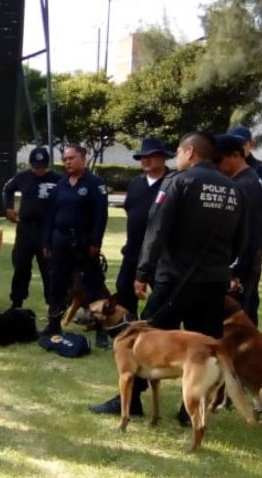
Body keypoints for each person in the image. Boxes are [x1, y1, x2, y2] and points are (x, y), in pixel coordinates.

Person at [90, 132, 246, 425]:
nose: (177, 156)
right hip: (213, 283)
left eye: (178, 151)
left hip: (174, 280)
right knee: (204, 347)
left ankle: (131, 400)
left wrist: (143, 272)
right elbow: (242, 240)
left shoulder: (179, 182)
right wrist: (220, 266)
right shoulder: (232, 189)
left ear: (190, 152)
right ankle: (191, 414)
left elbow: (157, 229)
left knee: (146, 339)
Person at [42, 144, 109, 338]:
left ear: (83, 158)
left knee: (93, 285)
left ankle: (100, 330)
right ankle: (53, 324)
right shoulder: (60, 184)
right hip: (60, 240)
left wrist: (95, 243)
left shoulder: (95, 184)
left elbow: (100, 217)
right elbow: (50, 216)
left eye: (71, 158)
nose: (67, 162)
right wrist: (47, 243)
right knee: (57, 284)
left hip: (84, 242)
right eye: (64, 159)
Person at [115, 138, 172, 319]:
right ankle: (127, 331)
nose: (145, 160)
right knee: (124, 290)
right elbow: (130, 210)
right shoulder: (135, 183)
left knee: (162, 298)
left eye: (151, 156)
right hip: (133, 250)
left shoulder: (173, 183)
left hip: (161, 253)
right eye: (142, 157)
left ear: (163, 158)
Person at [2, 146, 61, 309]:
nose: (38, 171)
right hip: (25, 229)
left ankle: (53, 305)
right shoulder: (22, 177)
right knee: (21, 266)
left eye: (41, 167)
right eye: (35, 167)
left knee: (47, 269)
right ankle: (17, 302)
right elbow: (8, 189)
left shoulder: (58, 179)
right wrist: (8, 208)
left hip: (46, 231)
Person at [216, 134, 262, 324]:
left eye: (219, 159)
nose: (216, 165)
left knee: (239, 323)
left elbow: (251, 233)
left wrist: (236, 271)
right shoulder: (242, 182)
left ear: (236, 155)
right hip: (240, 263)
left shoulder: (247, 185)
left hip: (242, 265)